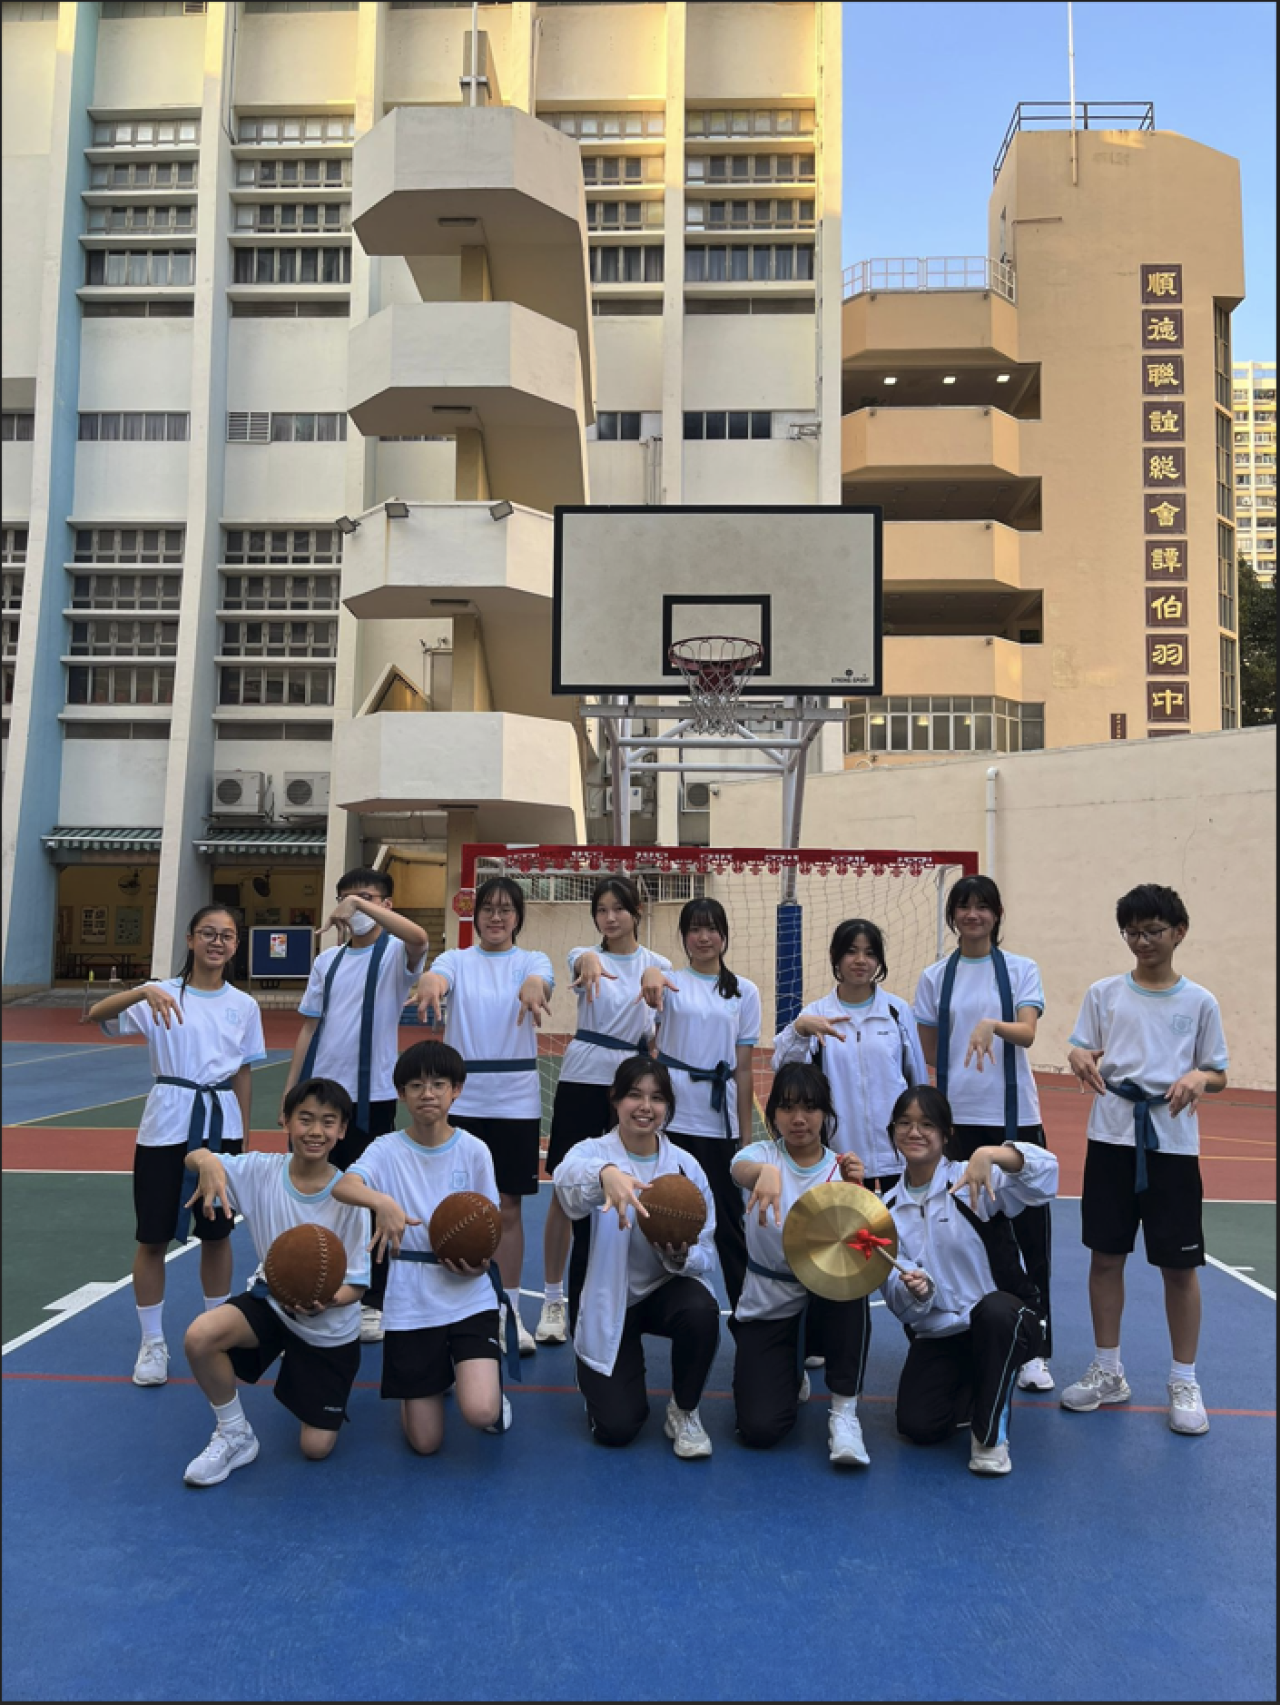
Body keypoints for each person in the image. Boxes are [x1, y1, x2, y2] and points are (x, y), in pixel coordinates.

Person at [1061, 883, 1229, 1436]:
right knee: (1105, 1257)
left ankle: (1184, 1380)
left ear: (1179, 932)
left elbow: (1218, 1072)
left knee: (1179, 1268)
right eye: (1131, 932)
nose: (1141, 942)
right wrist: (1077, 1055)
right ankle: (1108, 1370)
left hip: (1172, 1146)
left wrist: (1198, 1077)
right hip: (1110, 1138)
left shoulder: (1199, 1001)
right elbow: (1081, 1046)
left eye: (1152, 931)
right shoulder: (1104, 993)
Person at [88, 906, 266, 1388]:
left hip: (221, 1126)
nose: (217, 942)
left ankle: (217, 1331)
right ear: (189, 939)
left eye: (227, 935)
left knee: (217, 1234)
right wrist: (142, 990)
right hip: (166, 1125)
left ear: (235, 945)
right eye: (208, 933)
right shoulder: (162, 994)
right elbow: (95, 1014)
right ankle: (153, 1342)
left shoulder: (244, 1005)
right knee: (152, 1237)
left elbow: (243, 1073)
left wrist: (244, 1139)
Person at [179, 1078, 371, 1486]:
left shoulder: (351, 1197)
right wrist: (207, 1161)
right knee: (200, 1336)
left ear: (341, 1130)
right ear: (285, 1120)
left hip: (328, 1325)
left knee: (315, 1448)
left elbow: (356, 1287)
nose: (315, 1131)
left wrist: (324, 1298)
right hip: (272, 1303)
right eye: (305, 1119)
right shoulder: (261, 1170)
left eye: (327, 1122)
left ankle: (309, 1378)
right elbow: (193, 1157)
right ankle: (235, 1433)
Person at [332, 1040, 513, 1452]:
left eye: (438, 1084)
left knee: (482, 1412)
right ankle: (429, 1384)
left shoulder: (474, 1150)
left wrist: (481, 1259)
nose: (427, 1093)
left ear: (456, 1090)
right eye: (415, 1085)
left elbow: (491, 1221)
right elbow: (344, 1185)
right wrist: (382, 1202)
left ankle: (480, 1383)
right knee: (425, 1443)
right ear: (401, 1094)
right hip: (411, 1295)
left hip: (468, 1291)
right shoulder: (386, 1149)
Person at [913, 874, 1055, 1394]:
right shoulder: (935, 977)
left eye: (982, 906)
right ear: (953, 915)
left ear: (997, 914)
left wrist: (991, 1026)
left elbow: (1028, 1032)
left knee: (1029, 1238)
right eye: (964, 906)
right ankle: (969, 1335)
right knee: (965, 1236)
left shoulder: (1020, 969)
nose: (972, 914)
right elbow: (931, 1050)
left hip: (1013, 1119)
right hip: (958, 1120)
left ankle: (1036, 1349)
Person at [280, 866, 429, 1344]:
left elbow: (420, 938)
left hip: (371, 1097)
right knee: (312, 1194)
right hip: (321, 1094)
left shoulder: (395, 956)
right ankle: (307, 1280)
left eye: (366, 897)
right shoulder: (329, 961)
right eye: (347, 897)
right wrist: (291, 1091)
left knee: (367, 1200)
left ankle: (371, 1297)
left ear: (385, 905)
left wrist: (362, 905)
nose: (354, 906)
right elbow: (310, 1026)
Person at [880, 1085, 1058, 1477]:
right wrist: (918, 1294)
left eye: (927, 1124)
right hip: (943, 1335)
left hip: (1006, 1321)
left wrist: (993, 1154)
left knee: (994, 1311)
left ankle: (990, 1438)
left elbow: (1047, 1178)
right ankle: (980, 1385)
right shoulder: (886, 1211)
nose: (914, 1132)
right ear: (892, 1132)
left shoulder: (973, 1178)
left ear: (946, 1134)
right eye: (905, 1123)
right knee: (918, 1425)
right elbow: (896, 1300)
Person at [413, 877, 554, 1358]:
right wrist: (430, 983)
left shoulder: (532, 961)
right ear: (475, 916)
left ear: (518, 917)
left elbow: (541, 982)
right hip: (463, 1102)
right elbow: (437, 978)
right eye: (488, 908)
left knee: (508, 1207)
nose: (496, 916)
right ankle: (452, 1306)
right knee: (456, 1205)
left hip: (515, 1101)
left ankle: (507, 1309)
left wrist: (534, 986)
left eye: (505, 909)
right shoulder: (456, 960)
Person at [553, 1057, 721, 1458]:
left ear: (668, 1107)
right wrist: (605, 1174)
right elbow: (564, 1182)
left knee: (701, 1310)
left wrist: (681, 1256)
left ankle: (684, 1410)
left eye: (657, 1098)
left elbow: (708, 1252)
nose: (645, 1106)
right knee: (616, 1429)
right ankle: (600, 1383)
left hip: (664, 1291)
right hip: (609, 1301)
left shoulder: (685, 1166)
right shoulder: (591, 1152)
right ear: (615, 1099)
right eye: (634, 1095)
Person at [536, 875, 670, 1347]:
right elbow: (582, 960)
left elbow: (658, 1023)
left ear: (637, 912)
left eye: (619, 909)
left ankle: (626, 1289)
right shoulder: (583, 956)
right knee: (564, 1191)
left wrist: (654, 978)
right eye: (602, 910)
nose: (610, 918)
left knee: (628, 1188)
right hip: (582, 1079)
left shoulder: (659, 965)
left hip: (631, 1086)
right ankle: (553, 1298)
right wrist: (589, 959)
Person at [730, 1063, 872, 1467]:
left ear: (825, 1113)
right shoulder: (760, 1155)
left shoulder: (840, 1169)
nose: (798, 1118)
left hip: (824, 1303)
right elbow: (738, 1169)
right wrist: (765, 1172)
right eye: (788, 1107)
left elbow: (861, 1248)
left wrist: (857, 1194)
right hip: (770, 1304)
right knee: (760, 1429)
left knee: (852, 1283)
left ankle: (844, 1412)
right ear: (773, 1112)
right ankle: (789, 1370)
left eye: (810, 1108)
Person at [639, 897, 760, 1310]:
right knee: (665, 1214)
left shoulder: (745, 991)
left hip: (718, 1122)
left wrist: (746, 1137)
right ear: (684, 936)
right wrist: (651, 973)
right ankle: (655, 1306)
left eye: (711, 928)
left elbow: (744, 1068)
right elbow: (647, 1017)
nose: (703, 937)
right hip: (672, 1120)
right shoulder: (669, 983)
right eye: (694, 929)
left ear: (724, 935)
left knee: (728, 1224)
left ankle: (748, 1316)